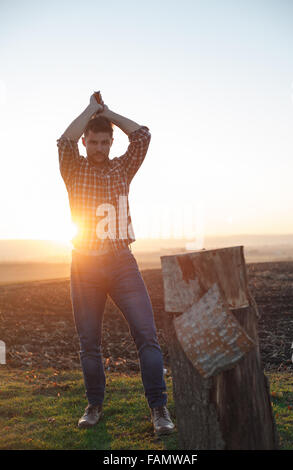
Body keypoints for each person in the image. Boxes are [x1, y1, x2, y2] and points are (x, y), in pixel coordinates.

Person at [56, 91, 175, 436]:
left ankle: (159, 410)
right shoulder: (73, 168)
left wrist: (108, 112)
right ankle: (94, 405)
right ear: (86, 141)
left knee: (147, 338)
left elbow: (142, 135)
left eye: (104, 141)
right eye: (92, 141)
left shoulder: (123, 166)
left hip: (122, 263)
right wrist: (90, 110)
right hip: (84, 266)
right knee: (89, 342)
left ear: (110, 142)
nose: (98, 147)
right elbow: (64, 141)